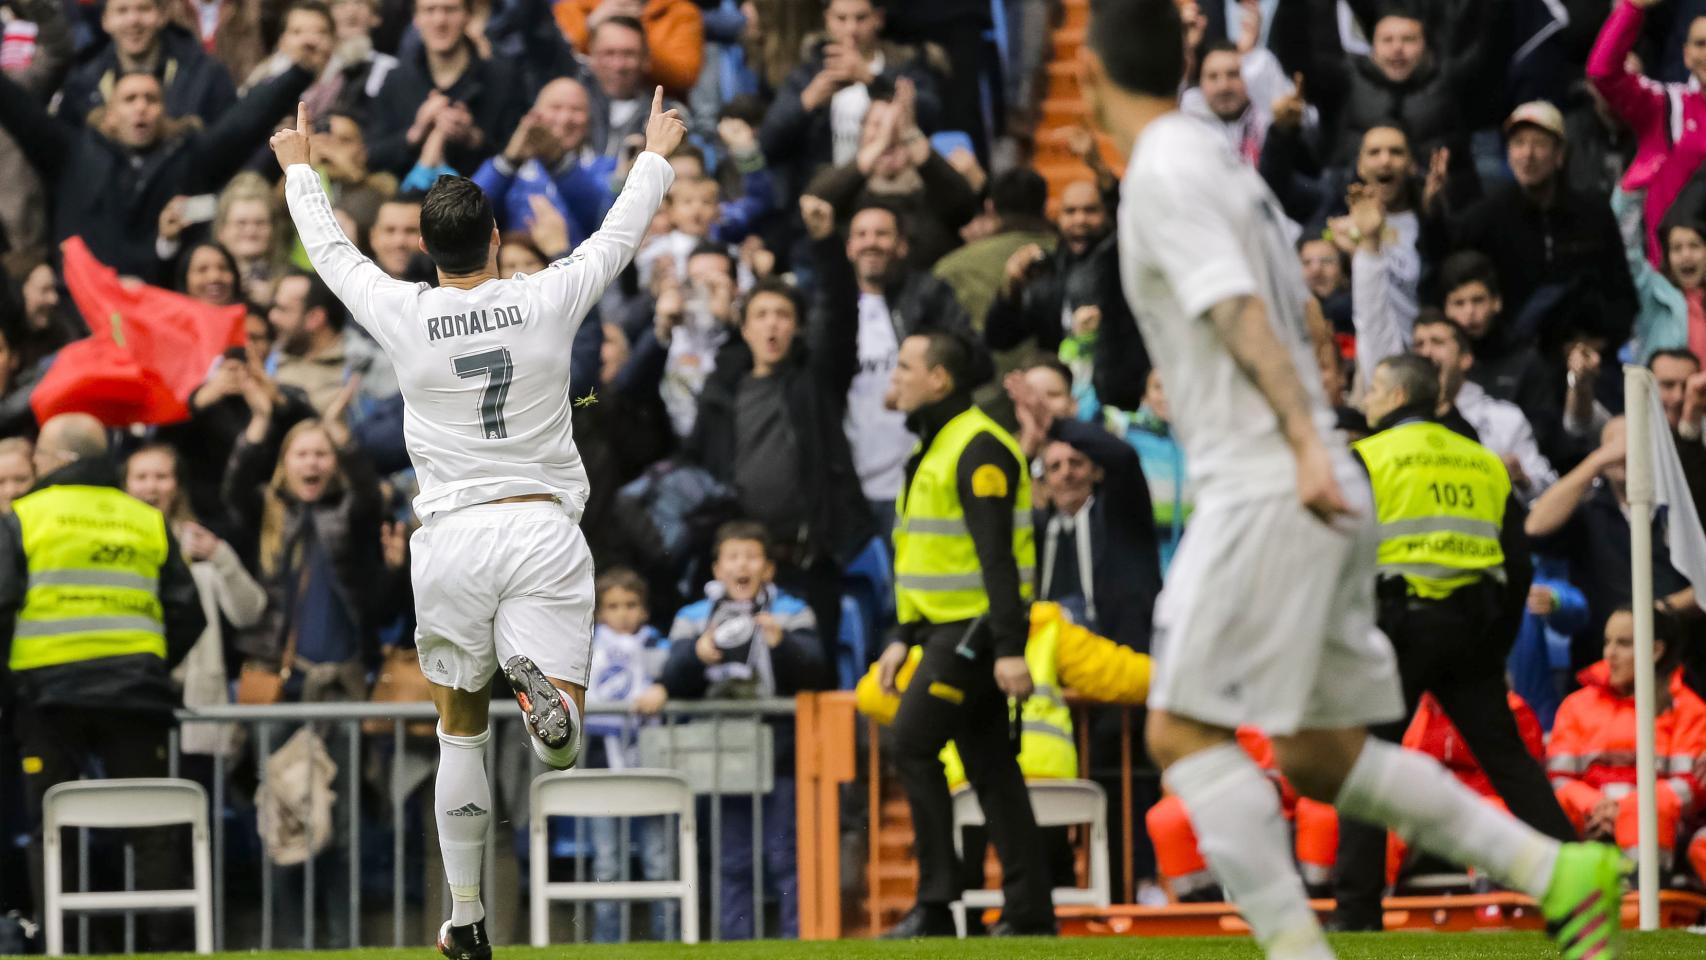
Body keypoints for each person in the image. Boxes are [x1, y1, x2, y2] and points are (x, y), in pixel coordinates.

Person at [1079, 6, 1623, 960]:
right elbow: (1290, 307)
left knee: (1179, 732)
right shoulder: (1217, 163)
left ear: (1084, 75)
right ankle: (1555, 871)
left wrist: (1296, 439)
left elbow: (1242, 309)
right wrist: (1317, 434)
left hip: (1265, 479)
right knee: (1318, 752)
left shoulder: (1161, 171)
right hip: (1318, 477)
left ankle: (1298, 951)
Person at [274, 87, 684, 959]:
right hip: (540, 526)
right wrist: (653, 152)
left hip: (452, 537)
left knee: (458, 726)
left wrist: (301, 173)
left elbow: (332, 254)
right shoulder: (544, 298)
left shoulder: (406, 314)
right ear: (496, 241)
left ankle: (465, 919)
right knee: (561, 752)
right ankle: (547, 702)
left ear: (425, 251)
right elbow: (616, 238)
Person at [1333, 353, 1576, 930]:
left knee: (1363, 766)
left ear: (1394, 397)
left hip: (1395, 630)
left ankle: (1359, 915)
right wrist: (1496, 643)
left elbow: (1342, 559)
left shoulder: (1366, 458)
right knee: (1510, 764)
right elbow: (1519, 568)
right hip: (1473, 631)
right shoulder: (1484, 464)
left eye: (1372, 390)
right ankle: (1574, 890)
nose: (1366, 401)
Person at [0, 413, 206, 949]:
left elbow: (0, 608)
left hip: (47, 699)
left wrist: (10, 686)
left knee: (51, 831)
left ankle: (58, 945)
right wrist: (150, 667)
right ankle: (167, 946)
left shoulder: (22, 517)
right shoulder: (143, 519)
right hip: (135, 698)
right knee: (154, 830)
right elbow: (188, 613)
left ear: (60, 460)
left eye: (40, 457)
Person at [872, 330, 1052, 938]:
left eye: (903, 367)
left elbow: (997, 559)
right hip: (947, 630)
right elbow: (931, 558)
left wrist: (1008, 649)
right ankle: (1029, 912)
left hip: (974, 633)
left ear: (939, 379)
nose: (892, 377)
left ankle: (937, 905)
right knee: (992, 767)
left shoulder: (976, 448)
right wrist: (902, 634)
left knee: (912, 745)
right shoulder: (940, 444)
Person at [639, 521, 825, 939]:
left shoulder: (793, 611)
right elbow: (671, 676)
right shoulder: (692, 617)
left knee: (785, 855)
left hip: (780, 751)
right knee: (731, 858)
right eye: (733, 557)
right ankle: (735, 943)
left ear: (769, 569)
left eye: (752, 556)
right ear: (717, 569)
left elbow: (816, 670)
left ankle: (798, 942)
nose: (743, 565)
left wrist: (783, 645)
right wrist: (697, 654)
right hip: (720, 752)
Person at [0, 59, 317, 282]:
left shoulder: (189, 157)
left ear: (165, 112)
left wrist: (299, 73)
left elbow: (242, 122)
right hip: (83, 307)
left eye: (151, 99)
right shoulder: (72, 153)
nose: (141, 107)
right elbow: (20, 111)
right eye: (129, 99)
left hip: (161, 305)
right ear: (109, 115)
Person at [808, 196, 972, 522]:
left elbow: (971, 360)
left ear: (901, 245)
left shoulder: (930, 297)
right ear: (849, 246)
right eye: (863, 234)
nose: (872, 243)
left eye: (882, 234)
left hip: (922, 477)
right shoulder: (828, 312)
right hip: (852, 487)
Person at [1449, 101, 1636, 355]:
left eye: (1538, 143)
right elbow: (1447, 255)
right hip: (1510, 355)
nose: (1528, 154)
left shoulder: (1593, 214)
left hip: (1584, 353)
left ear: (1559, 154)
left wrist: (1598, 343)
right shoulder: (1488, 214)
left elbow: (1622, 294)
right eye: (1518, 143)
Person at [1549, 607, 1706, 880]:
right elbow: (1559, 778)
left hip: (1661, 827)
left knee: (1646, 808)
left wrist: (1624, 808)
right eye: (1607, 641)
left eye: (1623, 643)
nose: (1610, 653)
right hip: (1588, 819)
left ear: (1656, 651)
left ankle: (1639, 895)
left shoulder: (1688, 708)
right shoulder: (1575, 706)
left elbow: (1691, 785)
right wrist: (1595, 804)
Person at [582, 568, 676, 943]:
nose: (622, 613)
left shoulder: (661, 649)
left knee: (659, 861)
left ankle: (669, 945)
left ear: (645, 611)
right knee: (607, 862)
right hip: (602, 764)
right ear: (599, 612)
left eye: (631, 605)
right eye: (613, 606)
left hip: (652, 763)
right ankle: (607, 947)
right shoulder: (584, 649)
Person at [1588, 0, 1706, 267]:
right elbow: (1603, 73)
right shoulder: (1665, 105)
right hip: (1667, 280)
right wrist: (1632, 9)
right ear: (1686, 54)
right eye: (1700, 44)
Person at [366, 0, 524, 177]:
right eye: (429, 10)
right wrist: (414, 134)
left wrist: (474, 140)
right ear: (416, 19)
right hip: (408, 198)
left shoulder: (502, 79)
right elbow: (372, 156)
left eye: (450, 10)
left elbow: (520, 157)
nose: (439, 21)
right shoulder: (395, 80)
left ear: (468, 16)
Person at [57, 0, 238, 126]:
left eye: (143, 8)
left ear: (162, 15)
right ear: (105, 20)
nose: (133, 20)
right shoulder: (82, 83)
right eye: (122, 10)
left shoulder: (208, 75)